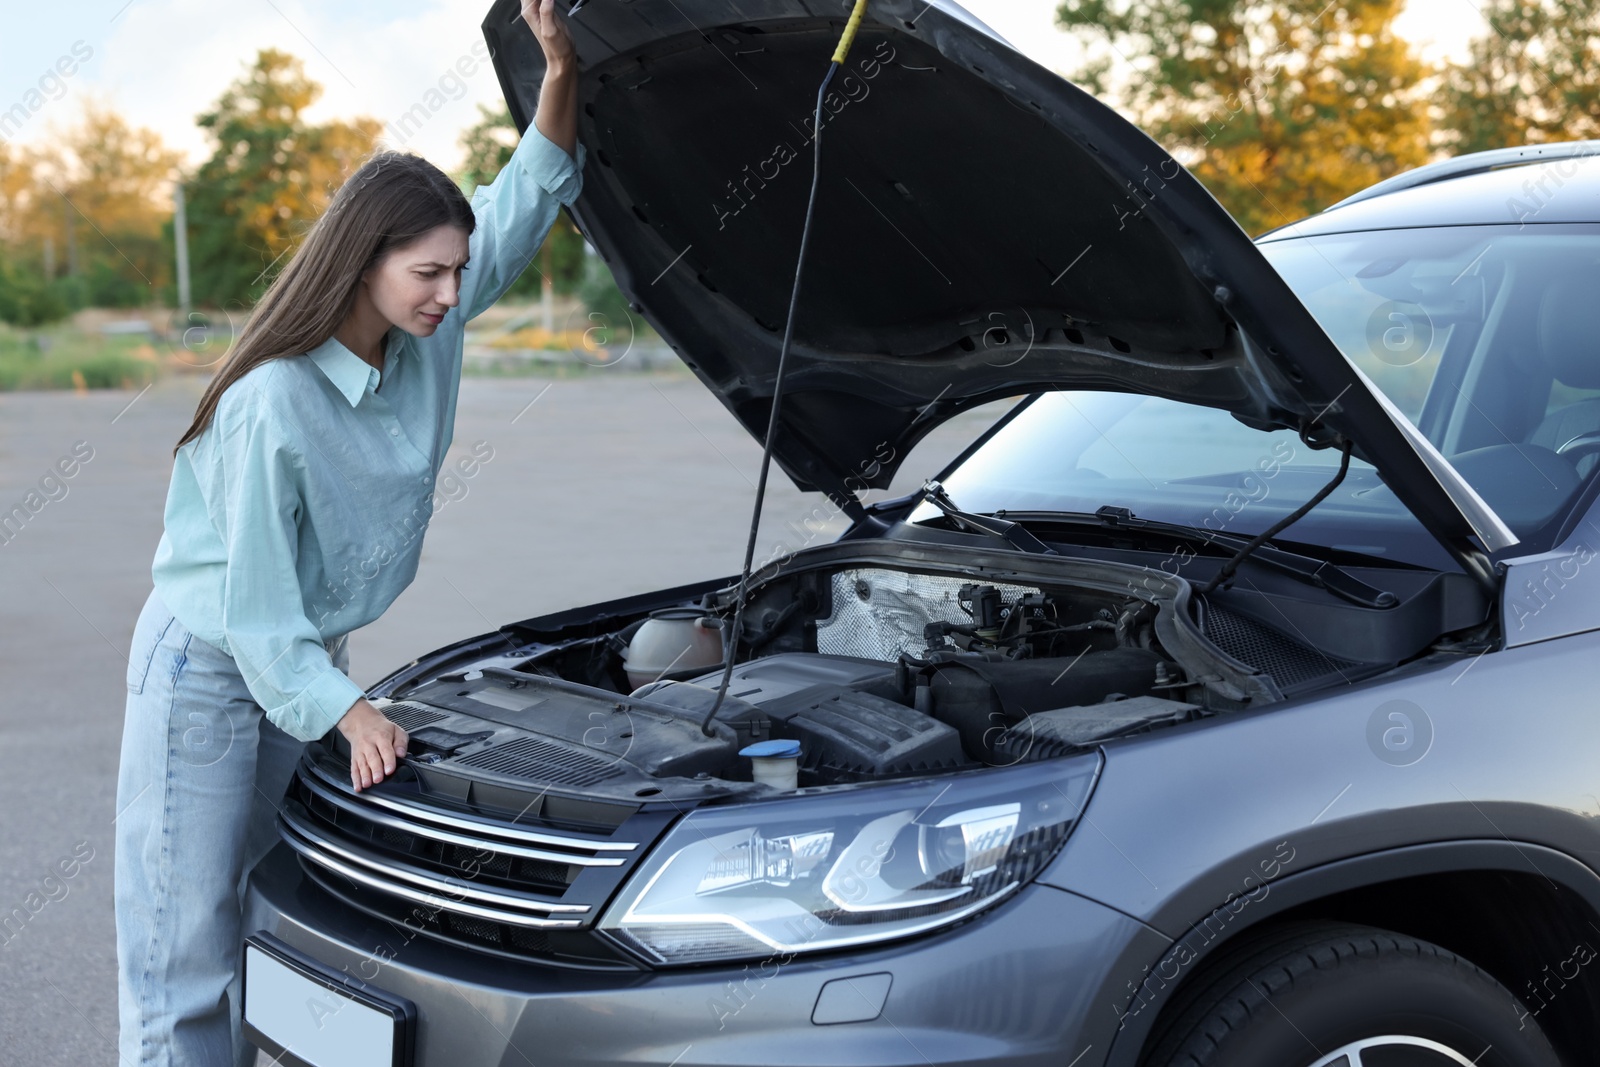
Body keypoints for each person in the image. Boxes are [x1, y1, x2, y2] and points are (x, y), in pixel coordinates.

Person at [113, 3, 583, 1063]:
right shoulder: (272, 401)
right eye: (428, 273)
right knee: (182, 951)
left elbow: (528, 194)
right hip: (214, 663)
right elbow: (259, 612)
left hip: (300, 663)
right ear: (365, 260)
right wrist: (352, 709)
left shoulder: (428, 329)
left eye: (458, 271)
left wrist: (560, 68)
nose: (453, 293)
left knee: (269, 916)